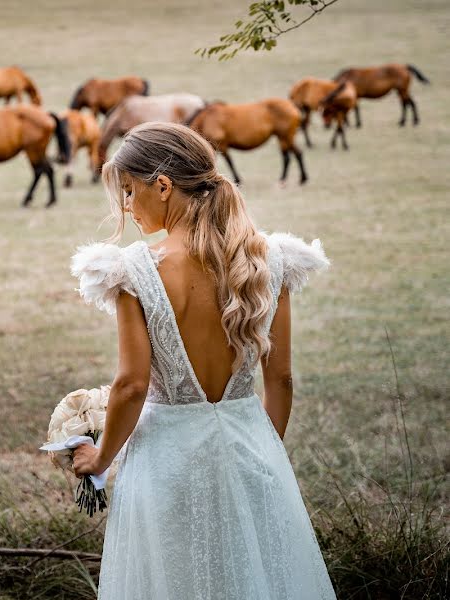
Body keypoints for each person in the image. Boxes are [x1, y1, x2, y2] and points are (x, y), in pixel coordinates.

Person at [70, 122, 335, 599]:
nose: (128, 207)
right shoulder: (268, 262)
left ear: (164, 186)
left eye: (130, 192)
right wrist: (260, 450)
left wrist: (100, 457)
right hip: (249, 450)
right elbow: (282, 378)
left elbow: (131, 386)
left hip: (166, 463)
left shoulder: (135, 271)